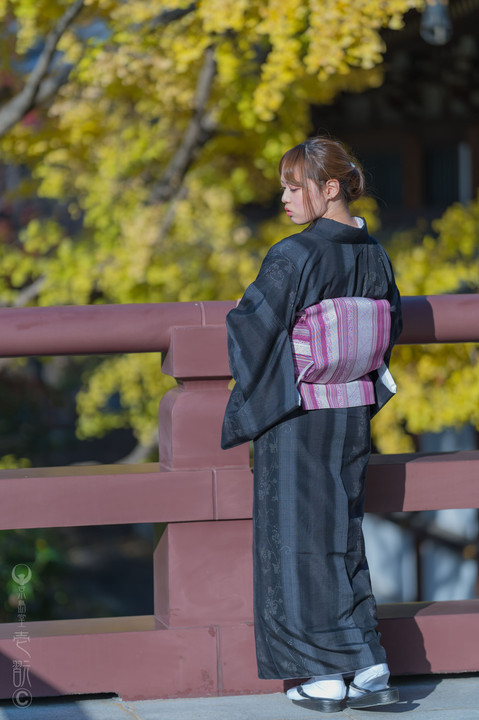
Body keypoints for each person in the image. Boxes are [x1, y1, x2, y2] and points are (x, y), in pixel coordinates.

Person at [221, 136, 402, 713]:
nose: (284, 197)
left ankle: (322, 674)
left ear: (329, 188)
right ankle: (368, 663)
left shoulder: (294, 255)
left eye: (294, 186)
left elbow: (250, 329)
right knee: (342, 533)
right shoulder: (375, 253)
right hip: (351, 409)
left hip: (297, 413)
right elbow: (388, 325)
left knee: (295, 540)